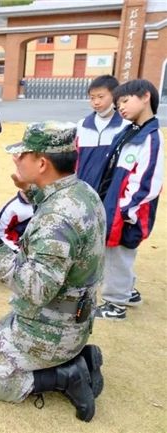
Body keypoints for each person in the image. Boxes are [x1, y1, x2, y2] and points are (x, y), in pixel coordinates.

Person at [0, 121, 106, 422]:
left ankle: (65, 376)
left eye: (22, 154)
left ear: (41, 162)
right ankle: (81, 358)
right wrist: (31, 191)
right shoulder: (81, 191)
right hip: (71, 317)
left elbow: (36, 289)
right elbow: (60, 221)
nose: (15, 158)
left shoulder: (56, 220)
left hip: (51, 328)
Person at [91, 79, 164, 320]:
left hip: (127, 213)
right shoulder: (131, 131)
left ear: (145, 97)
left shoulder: (151, 137)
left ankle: (115, 304)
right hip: (114, 206)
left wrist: (125, 211)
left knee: (118, 256)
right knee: (116, 254)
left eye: (125, 100)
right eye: (118, 102)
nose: (120, 106)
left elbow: (148, 183)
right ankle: (128, 291)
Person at [76, 75, 128, 189]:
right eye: (92, 98)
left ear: (115, 96)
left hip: (110, 191)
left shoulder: (125, 126)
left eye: (100, 97)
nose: (96, 102)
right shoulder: (82, 125)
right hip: (83, 191)